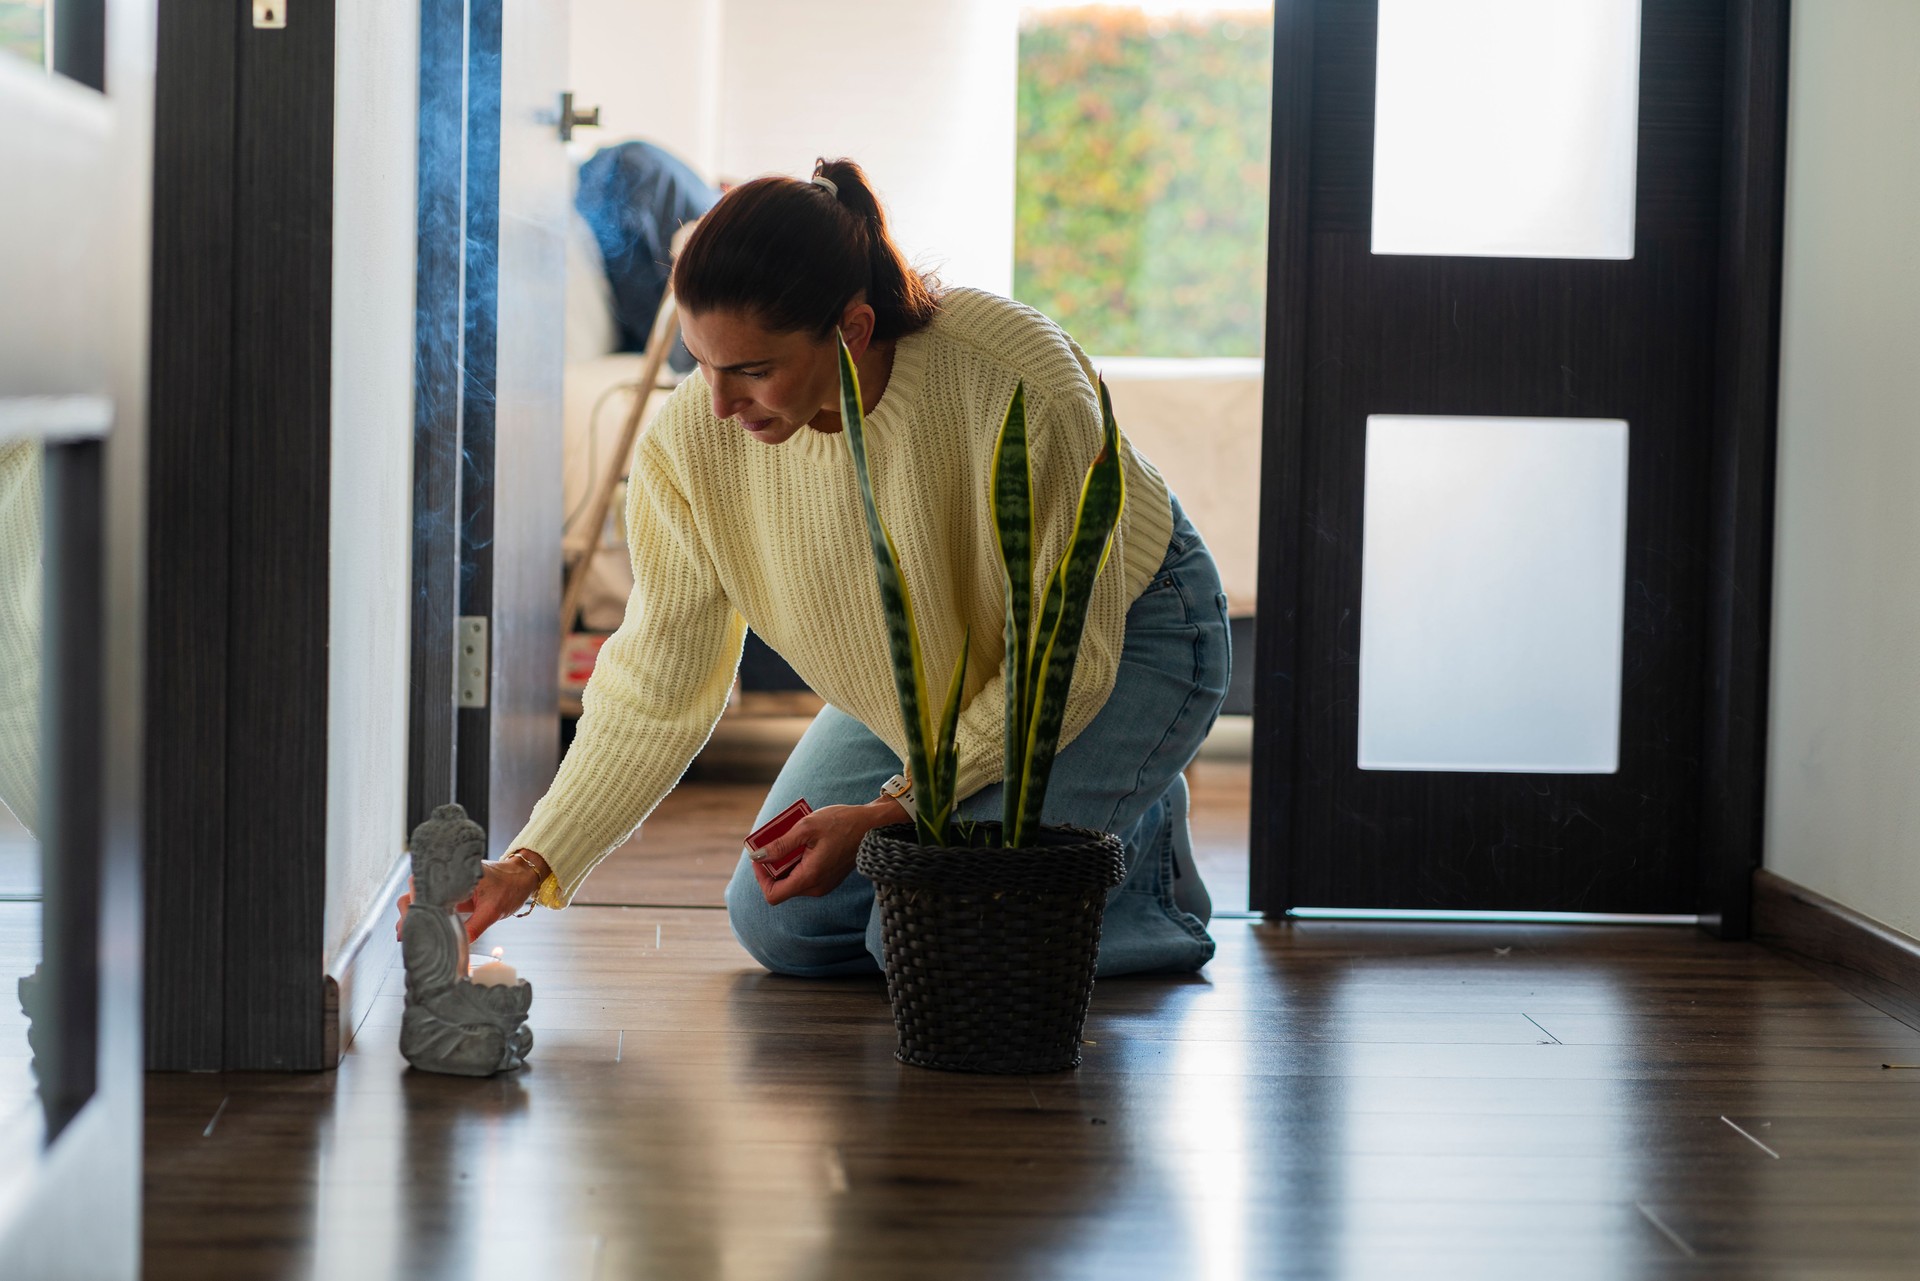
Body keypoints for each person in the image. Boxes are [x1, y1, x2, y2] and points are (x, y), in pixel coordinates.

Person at [402, 159, 1230, 977]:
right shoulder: (690, 444)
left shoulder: (1013, 376)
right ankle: (1103, 805)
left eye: (753, 370)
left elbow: (1067, 663)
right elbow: (657, 680)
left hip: (1126, 642)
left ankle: (1143, 863)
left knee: (932, 941)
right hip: (927, 686)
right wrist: (526, 865)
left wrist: (885, 815)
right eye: (702, 363)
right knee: (779, 921)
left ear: (854, 329)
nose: (719, 406)